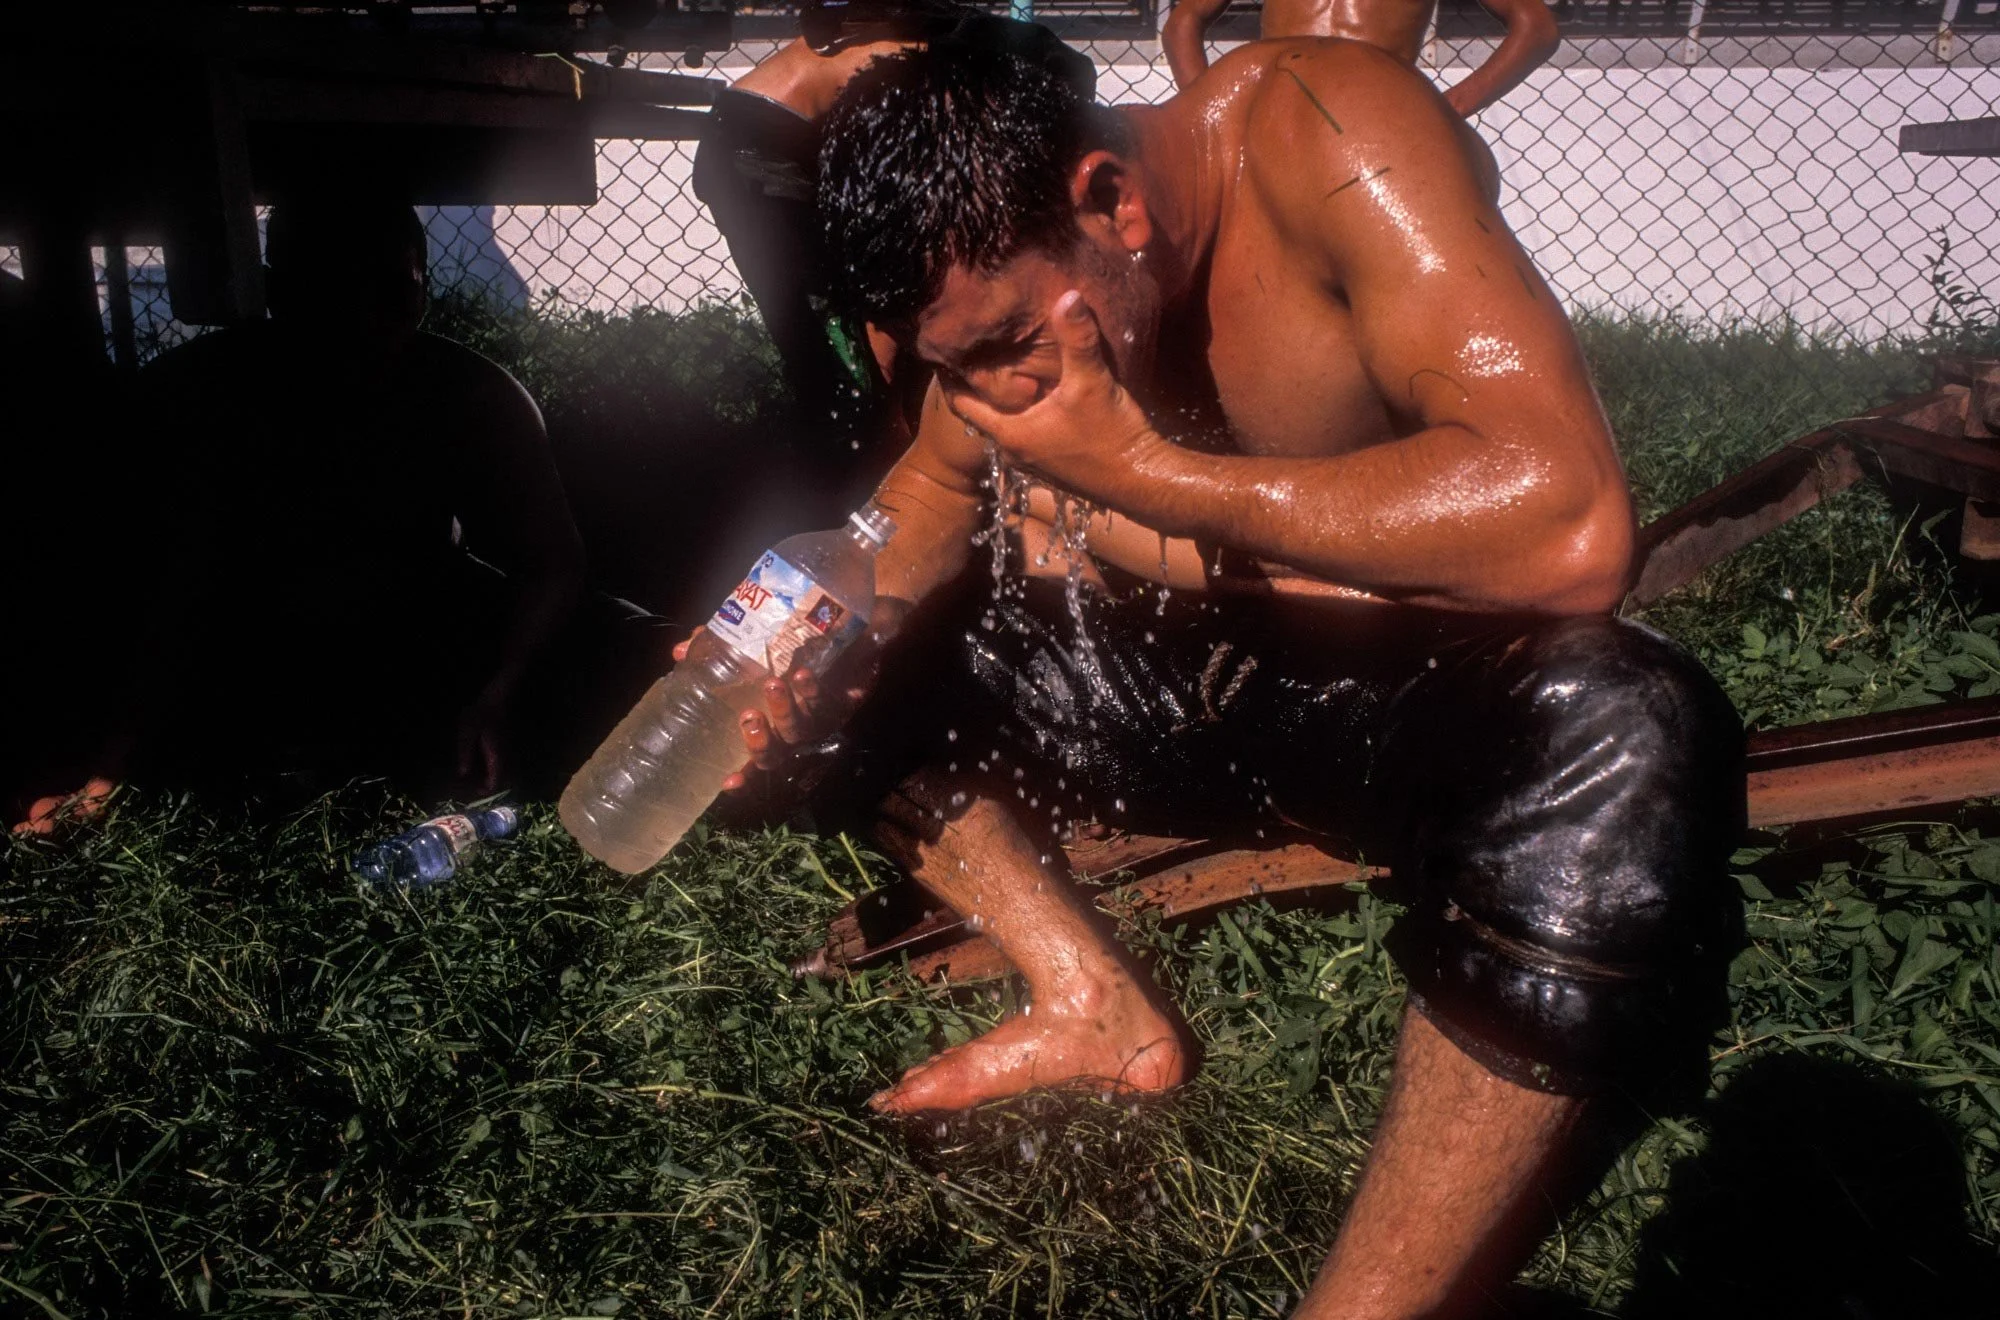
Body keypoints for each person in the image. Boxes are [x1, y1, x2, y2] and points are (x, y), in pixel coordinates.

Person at [712, 42, 1744, 1318]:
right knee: (835, 677)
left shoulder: (1327, 136)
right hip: (1140, 682)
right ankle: (1086, 997)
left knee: (1622, 724)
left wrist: (1149, 479)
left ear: (1111, 203)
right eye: (954, 365)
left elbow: (1570, 526)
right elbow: (926, 492)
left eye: (1009, 344)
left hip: (1373, 698)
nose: (991, 396)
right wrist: (808, 645)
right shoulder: (994, 284)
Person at [12, 196, 585, 831]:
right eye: (329, 294)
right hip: (240, 651)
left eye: (389, 292)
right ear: (279, 293)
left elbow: (552, 566)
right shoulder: (200, 396)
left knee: (627, 645)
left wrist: (500, 691)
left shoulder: (471, 395)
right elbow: (144, 589)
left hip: (417, 637)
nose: (360, 321)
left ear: (422, 291)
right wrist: (107, 759)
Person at [1162, 0, 1559, 116]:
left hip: (1375, 127)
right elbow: (1184, 23)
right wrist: (1212, 116)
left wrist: (1447, 110)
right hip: (1274, 119)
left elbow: (1536, 28)